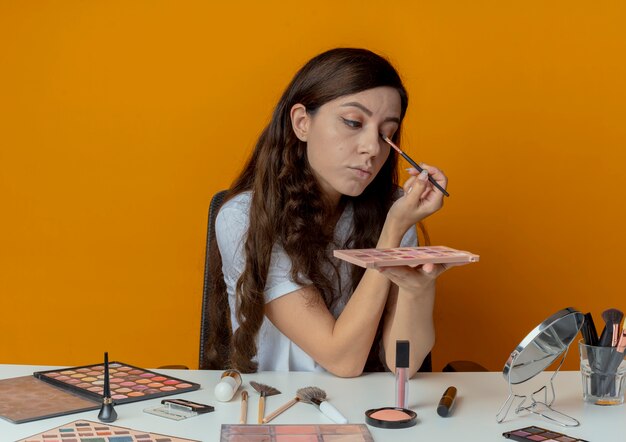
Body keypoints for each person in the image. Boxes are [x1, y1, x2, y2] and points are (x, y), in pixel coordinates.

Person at [205, 48, 449, 378]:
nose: (372, 148)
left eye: (386, 134)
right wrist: (392, 232)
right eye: (353, 122)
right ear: (302, 123)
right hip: (275, 409)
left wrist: (419, 288)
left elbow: (402, 363)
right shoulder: (244, 218)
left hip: (361, 408)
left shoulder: (392, 208)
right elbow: (342, 359)